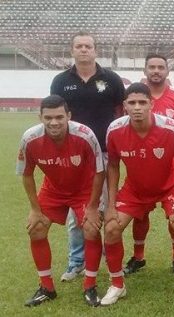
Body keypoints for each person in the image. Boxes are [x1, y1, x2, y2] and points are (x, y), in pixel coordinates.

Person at [101, 83, 174, 306]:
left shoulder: (171, 128)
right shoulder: (115, 129)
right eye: (132, 103)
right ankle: (117, 285)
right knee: (112, 228)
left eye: (142, 102)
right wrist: (111, 204)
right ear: (124, 105)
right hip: (135, 189)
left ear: (151, 104)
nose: (137, 108)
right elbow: (113, 166)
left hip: (169, 186)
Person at [50, 31, 125, 282]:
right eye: (79, 46)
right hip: (73, 157)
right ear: (72, 50)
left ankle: (107, 256)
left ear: (95, 50)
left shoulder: (111, 79)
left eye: (88, 46)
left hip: (103, 153)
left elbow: (120, 113)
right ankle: (76, 261)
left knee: (104, 207)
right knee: (76, 213)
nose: (84, 50)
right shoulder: (61, 81)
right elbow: (56, 116)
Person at [18, 95, 105, 306]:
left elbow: (99, 171)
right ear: (40, 117)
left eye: (59, 117)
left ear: (69, 116)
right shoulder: (30, 138)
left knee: (91, 229)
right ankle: (47, 288)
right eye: (48, 117)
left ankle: (90, 286)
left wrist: (93, 207)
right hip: (53, 190)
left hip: (84, 189)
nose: (53, 122)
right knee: (36, 228)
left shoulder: (85, 135)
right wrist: (35, 210)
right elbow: (27, 174)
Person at [124, 53, 174, 276]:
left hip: (169, 172)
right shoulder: (135, 96)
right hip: (140, 171)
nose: (156, 71)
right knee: (140, 215)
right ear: (145, 70)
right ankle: (138, 256)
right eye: (151, 67)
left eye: (160, 67)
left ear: (167, 71)